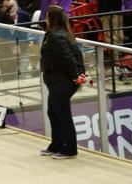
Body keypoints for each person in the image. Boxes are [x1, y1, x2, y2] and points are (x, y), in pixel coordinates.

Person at [39, 5, 88, 159]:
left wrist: (76, 76)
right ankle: (57, 144)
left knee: (62, 114)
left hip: (63, 81)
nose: (44, 19)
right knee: (53, 112)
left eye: (47, 16)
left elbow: (67, 58)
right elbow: (76, 54)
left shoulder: (57, 36)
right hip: (56, 80)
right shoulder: (55, 33)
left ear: (52, 19)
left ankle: (70, 149)